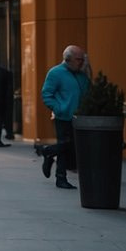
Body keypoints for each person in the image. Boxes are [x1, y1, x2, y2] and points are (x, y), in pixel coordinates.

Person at [36, 45, 90, 191]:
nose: (81, 62)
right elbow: (47, 94)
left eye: (82, 59)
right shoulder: (55, 73)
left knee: (71, 147)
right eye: (78, 60)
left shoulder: (82, 75)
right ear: (68, 59)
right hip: (63, 117)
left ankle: (48, 152)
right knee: (66, 145)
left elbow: (88, 93)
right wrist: (59, 108)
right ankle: (60, 177)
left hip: (80, 117)